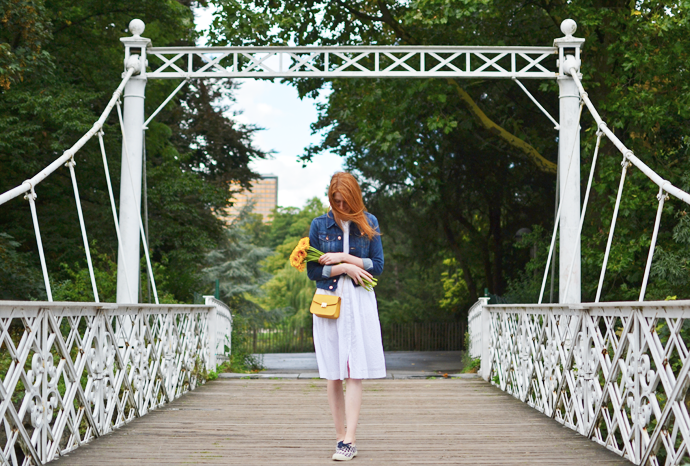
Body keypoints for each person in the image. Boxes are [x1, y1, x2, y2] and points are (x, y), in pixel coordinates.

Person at [307, 172, 386, 461]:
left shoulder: (369, 222)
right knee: (333, 371)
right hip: (329, 300)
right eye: (335, 200)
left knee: (354, 369)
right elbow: (313, 271)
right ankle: (340, 436)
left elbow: (377, 266)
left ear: (354, 197)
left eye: (344, 201)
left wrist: (347, 260)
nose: (339, 206)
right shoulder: (319, 224)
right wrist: (343, 269)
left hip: (359, 300)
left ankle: (350, 439)